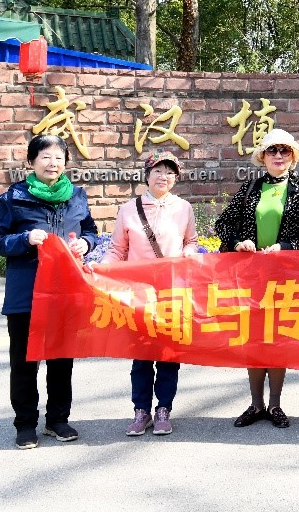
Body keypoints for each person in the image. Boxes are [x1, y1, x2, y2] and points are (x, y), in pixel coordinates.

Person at [0, 133, 98, 450]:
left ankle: (58, 419)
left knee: (62, 359)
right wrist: (24, 239)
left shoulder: (76, 196)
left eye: (59, 157)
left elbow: (91, 231)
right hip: (26, 294)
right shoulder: (14, 197)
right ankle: (25, 424)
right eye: (45, 157)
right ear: (31, 162)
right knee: (24, 361)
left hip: (66, 292)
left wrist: (86, 243)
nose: (53, 163)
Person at [215, 128, 299, 429]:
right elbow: (222, 224)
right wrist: (239, 242)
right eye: (272, 150)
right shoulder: (250, 189)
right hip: (251, 276)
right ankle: (256, 404)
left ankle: (275, 404)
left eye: (284, 150)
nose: (278, 155)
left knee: (277, 338)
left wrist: (284, 247)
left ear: (293, 157)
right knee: (253, 339)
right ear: (262, 157)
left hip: (284, 277)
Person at [104, 150, 199, 437]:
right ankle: (141, 410)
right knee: (142, 355)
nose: (163, 177)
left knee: (168, 354)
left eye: (170, 172)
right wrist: (100, 271)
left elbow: (191, 241)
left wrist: (189, 253)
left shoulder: (183, 208)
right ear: (147, 175)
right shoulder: (129, 209)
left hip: (172, 291)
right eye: (158, 170)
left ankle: (163, 409)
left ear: (176, 179)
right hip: (138, 293)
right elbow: (117, 249)